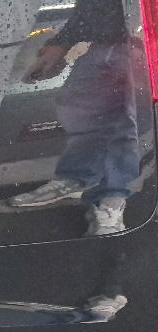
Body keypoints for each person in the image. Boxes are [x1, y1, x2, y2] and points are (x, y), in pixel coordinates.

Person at [8, 0, 139, 236]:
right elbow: (92, 6)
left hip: (139, 42)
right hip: (105, 43)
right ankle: (79, 177)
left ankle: (112, 200)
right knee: (77, 105)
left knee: (125, 121)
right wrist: (62, 42)